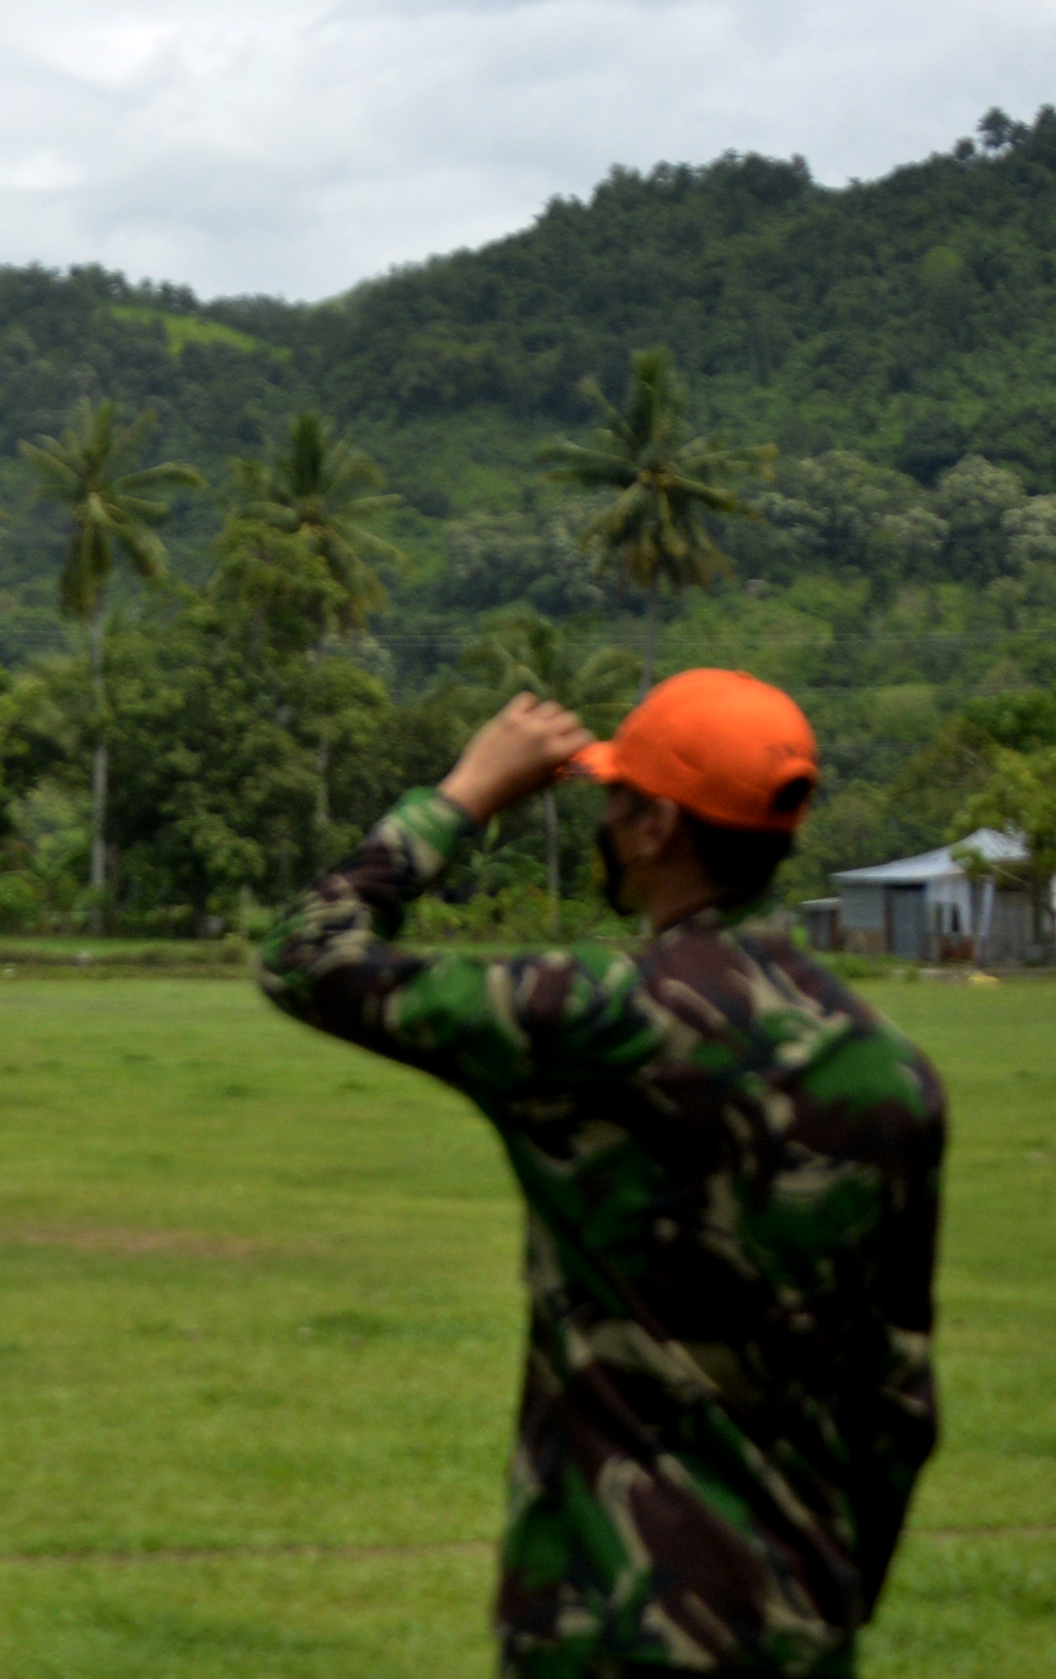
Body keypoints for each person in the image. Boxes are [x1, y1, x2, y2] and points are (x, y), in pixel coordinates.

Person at [259, 671, 947, 1676]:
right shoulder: (888, 1069)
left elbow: (306, 956)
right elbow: (898, 1400)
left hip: (612, 1615)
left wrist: (460, 798)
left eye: (611, 798)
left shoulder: (594, 1018)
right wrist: (823, 1593)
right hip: (799, 1621)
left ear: (654, 826)